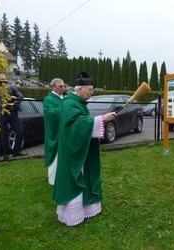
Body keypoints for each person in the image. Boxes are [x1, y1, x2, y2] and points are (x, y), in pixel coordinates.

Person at [52, 72, 116, 226]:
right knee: (74, 179)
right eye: (90, 89)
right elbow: (76, 125)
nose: (92, 92)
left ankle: (87, 208)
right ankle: (73, 214)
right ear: (79, 89)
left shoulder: (78, 103)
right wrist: (102, 119)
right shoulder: (70, 104)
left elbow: (82, 122)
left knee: (85, 174)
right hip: (72, 151)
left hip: (79, 148)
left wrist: (95, 121)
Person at [0, 74, 26, 160]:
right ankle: (6, 153)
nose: (4, 80)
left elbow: (21, 97)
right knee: (3, 134)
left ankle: (16, 151)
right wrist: (11, 97)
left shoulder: (12, 88)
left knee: (20, 131)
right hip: (2, 113)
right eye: (2, 79)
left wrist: (13, 103)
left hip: (13, 112)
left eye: (5, 78)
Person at [43, 78, 65, 185]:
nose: (63, 88)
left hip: (65, 131)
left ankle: (63, 177)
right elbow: (51, 114)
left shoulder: (64, 98)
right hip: (54, 132)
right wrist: (66, 107)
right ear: (53, 87)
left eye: (64, 86)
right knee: (55, 155)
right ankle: (53, 180)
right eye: (60, 86)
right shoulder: (49, 99)